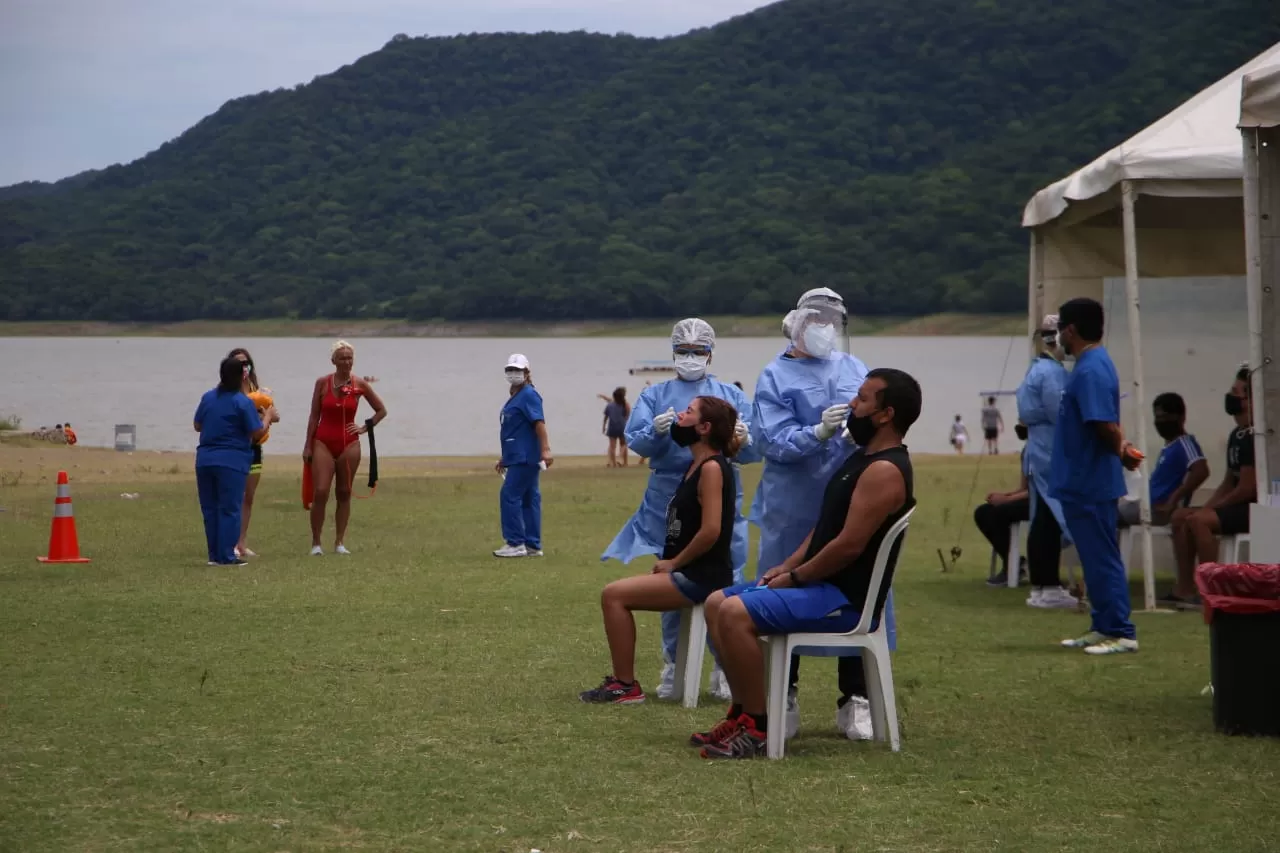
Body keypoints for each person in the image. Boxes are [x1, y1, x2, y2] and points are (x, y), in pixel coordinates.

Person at [695, 368, 920, 759]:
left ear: (886, 414)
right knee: (716, 602)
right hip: (818, 587)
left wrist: (797, 577)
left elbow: (848, 546)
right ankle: (742, 714)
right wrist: (786, 566)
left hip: (844, 600)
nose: (853, 405)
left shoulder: (884, 469)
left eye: (863, 400)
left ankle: (759, 729)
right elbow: (823, 530)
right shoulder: (862, 459)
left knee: (733, 612)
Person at [749, 287, 893, 743]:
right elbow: (770, 441)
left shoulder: (854, 368)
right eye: (817, 319)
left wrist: (856, 435)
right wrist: (817, 432)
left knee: (856, 589)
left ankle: (856, 698)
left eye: (834, 320)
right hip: (793, 502)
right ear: (797, 322)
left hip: (853, 497)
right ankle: (783, 695)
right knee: (782, 589)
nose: (826, 329)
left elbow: (878, 423)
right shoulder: (775, 375)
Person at [603, 319, 757, 701]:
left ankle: (725, 668)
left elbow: (755, 449)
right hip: (667, 497)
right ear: (673, 353)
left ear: (711, 353)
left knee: (728, 581)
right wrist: (655, 432)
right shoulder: (657, 395)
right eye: (683, 351)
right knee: (669, 584)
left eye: (698, 351)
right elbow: (639, 442)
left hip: (718, 489)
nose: (690, 358)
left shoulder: (728, 396)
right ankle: (676, 664)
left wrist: (746, 439)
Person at [581, 397, 742, 704]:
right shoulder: (695, 464)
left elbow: (711, 531)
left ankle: (625, 686)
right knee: (615, 594)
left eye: (689, 412)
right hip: (689, 571)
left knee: (613, 595)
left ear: (704, 428)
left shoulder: (711, 468)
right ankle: (624, 683)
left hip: (700, 576)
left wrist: (674, 563)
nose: (680, 415)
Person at [1051, 299, 1142, 655]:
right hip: (1081, 481)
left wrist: (1120, 450)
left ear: (1070, 330)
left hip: (1090, 481)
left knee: (1102, 556)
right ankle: (1102, 624)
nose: (1058, 335)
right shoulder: (1090, 365)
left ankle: (1121, 630)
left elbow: (1102, 423)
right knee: (1092, 556)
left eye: (1060, 328)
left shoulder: (1090, 369)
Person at [1169, 369, 1256, 606]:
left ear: (1250, 399)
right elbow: (1229, 482)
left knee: (1199, 521)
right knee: (1180, 517)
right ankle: (1185, 588)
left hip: (1255, 509)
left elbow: (1247, 488)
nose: (1229, 396)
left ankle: (1211, 589)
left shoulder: (1255, 436)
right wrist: (1208, 506)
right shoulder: (1236, 434)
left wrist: (1211, 510)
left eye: (1235, 392)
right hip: (1237, 504)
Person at [303, 340, 387, 556]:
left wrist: (363, 427)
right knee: (321, 491)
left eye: (349, 358)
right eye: (342, 358)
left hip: (349, 443)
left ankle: (339, 542)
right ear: (333, 361)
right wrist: (308, 445)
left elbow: (381, 410)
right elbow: (314, 416)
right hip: (323, 441)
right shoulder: (322, 383)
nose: (347, 362)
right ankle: (316, 543)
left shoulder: (360, 384)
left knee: (344, 491)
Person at [1016, 315, 1077, 609]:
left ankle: (1043, 585)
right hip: (1051, 450)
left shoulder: (1036, 369)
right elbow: (1060, 414)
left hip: (1039, 450)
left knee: (1042, 517)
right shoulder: (1051, 373)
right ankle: (1048, 586)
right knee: (1050, 520)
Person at [194, 357, 274, 566]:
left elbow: (197, 425)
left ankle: (214, 555)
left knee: (210, 508)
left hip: (205, 459)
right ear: (242, 377)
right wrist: (267, 417)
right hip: (232, 460)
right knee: (230, 508)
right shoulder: (242, 402)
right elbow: (257, 432)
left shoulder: (208, 398)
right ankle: (227, 556)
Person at [1118, 393, 1208, 529]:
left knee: (1105, 514)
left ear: (1181, 417)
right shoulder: (1169, 447)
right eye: (1158, 417)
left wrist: (1173, 501)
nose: (1160, 422)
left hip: (1157, 510)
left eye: (1165, 417)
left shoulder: (1184, 443)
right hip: (1147, 505)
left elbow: (1201, 471)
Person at [495, 354, 553, 557]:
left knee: (509, 495)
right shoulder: (516, 396)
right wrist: (505, 458)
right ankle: (532, 545)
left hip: (526, 457)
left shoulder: (529, 395)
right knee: (529, 498)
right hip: (518, 455)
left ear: (527, 373)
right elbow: (516, 430)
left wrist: (546, 449)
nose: (513, 374)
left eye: (518, 370)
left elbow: (539, 424)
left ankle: (515, 543)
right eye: (510, 370)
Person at [227, 348, 280, 559]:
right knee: (233, 496)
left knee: (248, 497)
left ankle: (241, 543)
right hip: (234, 448)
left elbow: (272, 415)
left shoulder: (257, 391)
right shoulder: (227, 392)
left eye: (246, 363)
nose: (244, 367)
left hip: (254, 447)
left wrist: (267, 416)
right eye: (239, 363)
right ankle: (229, 541)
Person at [973, 461, 1030, 586]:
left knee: (999, 513)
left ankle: (1011, 567)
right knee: (983, 512)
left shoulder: (1047, 447)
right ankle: (1014, 562)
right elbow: (1025, 489)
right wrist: (1004, 496)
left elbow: (1042, 488)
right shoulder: (1028, 450)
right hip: (1029, 498)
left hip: (1046, 502)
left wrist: (1007, 500)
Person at [602, 387, 631, 468]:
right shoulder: (625, 404)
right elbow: (628, 416)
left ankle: (613, 463)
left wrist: (604, 427)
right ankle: (620, 458)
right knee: (623, 444)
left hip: (612, 427)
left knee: (612, 446)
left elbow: (606, 417)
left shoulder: (610, 405)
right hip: (622, 427)